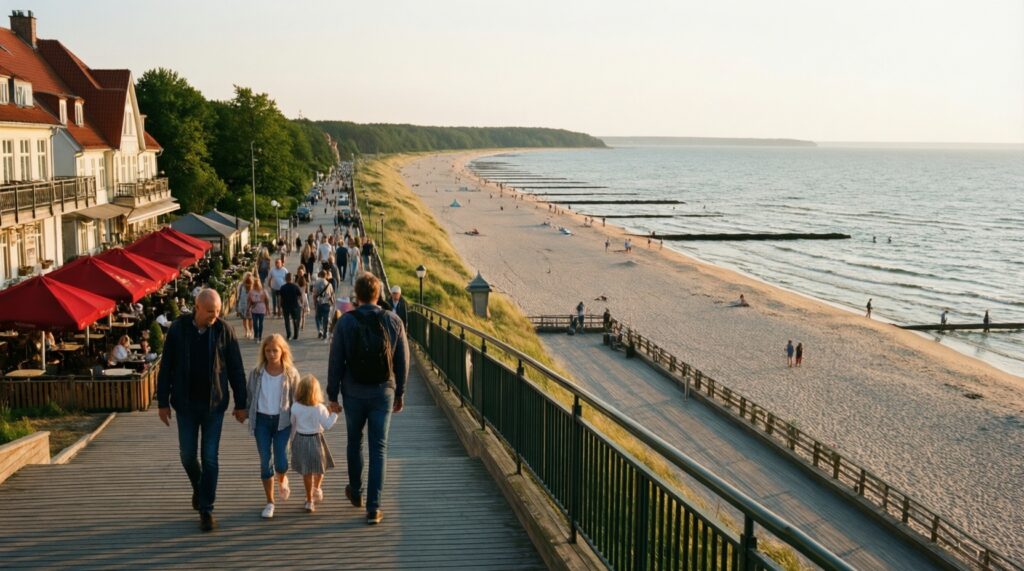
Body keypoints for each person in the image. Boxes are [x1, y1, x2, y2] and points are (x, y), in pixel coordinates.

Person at [156, 289, 247, 532]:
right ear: (197, 307)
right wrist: (162, 402)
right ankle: (199, 487)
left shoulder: (224, 330)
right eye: (210, 312)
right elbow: (166, 367)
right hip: (185, 404)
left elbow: (236, 369)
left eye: (217, 312)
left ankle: (206, 509)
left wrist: (241, 404)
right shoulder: (178, 329)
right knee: (187, 455)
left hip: (213, 405)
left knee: (210, 458)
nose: (214, 316)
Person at [327, 272, 410, 525]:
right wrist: (400, 392)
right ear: (378, 295)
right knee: (379, 448)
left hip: (352, 392)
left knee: (355, 442)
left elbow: (335, 361)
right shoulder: (393, 320)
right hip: (383, 391)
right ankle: (374, 507)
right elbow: (403, 361)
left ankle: (356, 491)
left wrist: (332, 395)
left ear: (357, 295)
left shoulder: (345, 322)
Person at [246, 334, 300, 519]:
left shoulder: (291, 373)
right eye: (267, 350)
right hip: (261, 420)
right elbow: (250, 395)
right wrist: (243, 411)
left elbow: (298, 398)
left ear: (282, 350)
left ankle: (282, 479)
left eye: (275, 350)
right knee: (264, 461)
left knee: (281, 460)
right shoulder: (256, 372)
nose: (271, 354)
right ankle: (270, 502)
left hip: (282, 421)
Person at [291, 374, 338, 513]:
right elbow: (327, 425)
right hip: (316, 439)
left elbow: (293, 423)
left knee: (307, 471)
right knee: (320, 467)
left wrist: (291, 440)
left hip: (301, 439)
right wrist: (334, 414)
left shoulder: (295, 407)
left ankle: (309, 499)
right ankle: (317, 488)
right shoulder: (319, 408)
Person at [278, 273, 303, 341]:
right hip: (294, 305)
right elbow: (300, 296)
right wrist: (301, 303)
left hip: (285, 306)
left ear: (285, 279)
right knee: (295, 320)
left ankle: (288, 334)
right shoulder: (295, 287)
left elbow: (280, 298)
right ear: (292, 279)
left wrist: (279, 307)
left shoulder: (282, 287)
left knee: (287, 320)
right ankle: (296, 335)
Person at [313, 270, 335, 340]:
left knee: (317, 317)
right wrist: (333, 304)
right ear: (326, 276)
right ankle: (325, 333)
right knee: (326, 319)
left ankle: (320, 330)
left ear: (320, 275)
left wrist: (314, 303)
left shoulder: (317, 283)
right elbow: (332, 295)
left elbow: (315, 294)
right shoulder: (329, 284)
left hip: (319, 303)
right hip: (327, 304)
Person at [248, 279, 270, 343]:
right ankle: (256, 336)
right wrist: (248, 308)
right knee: (255, 323)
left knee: (260, 324)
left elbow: (267, 300)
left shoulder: (264, 291)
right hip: (254, 309)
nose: (257, 286)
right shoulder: (251, 291)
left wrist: (267, 309)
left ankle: (259, 337)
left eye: (257, 284)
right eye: (255, 284)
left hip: (262, 309)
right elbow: (249, 300)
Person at [236, 273, 254, 339]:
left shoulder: (241, 285)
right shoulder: (252, 285)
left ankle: (247, 332)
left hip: (243, 304)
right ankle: (249, 331)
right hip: (248, 304)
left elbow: (238, 295)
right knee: (249, 319)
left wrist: (237, 303)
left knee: (245, 319)